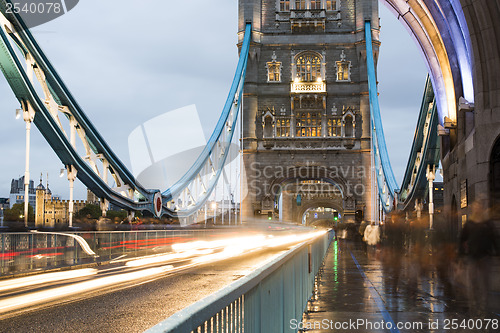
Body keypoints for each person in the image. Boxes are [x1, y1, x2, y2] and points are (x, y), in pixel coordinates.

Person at [459, 200, 499, 314]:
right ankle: (474, 304)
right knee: (473, 282)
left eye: (479, 207)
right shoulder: (469, 224)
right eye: (475, 207)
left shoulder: (488, 223)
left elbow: (494, 238)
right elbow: (462, 239)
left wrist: (497, 251)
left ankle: (483, 305)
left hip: (485, 256)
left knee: (484, 283)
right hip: (472, 257)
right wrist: (461, 256)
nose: (477, 209)